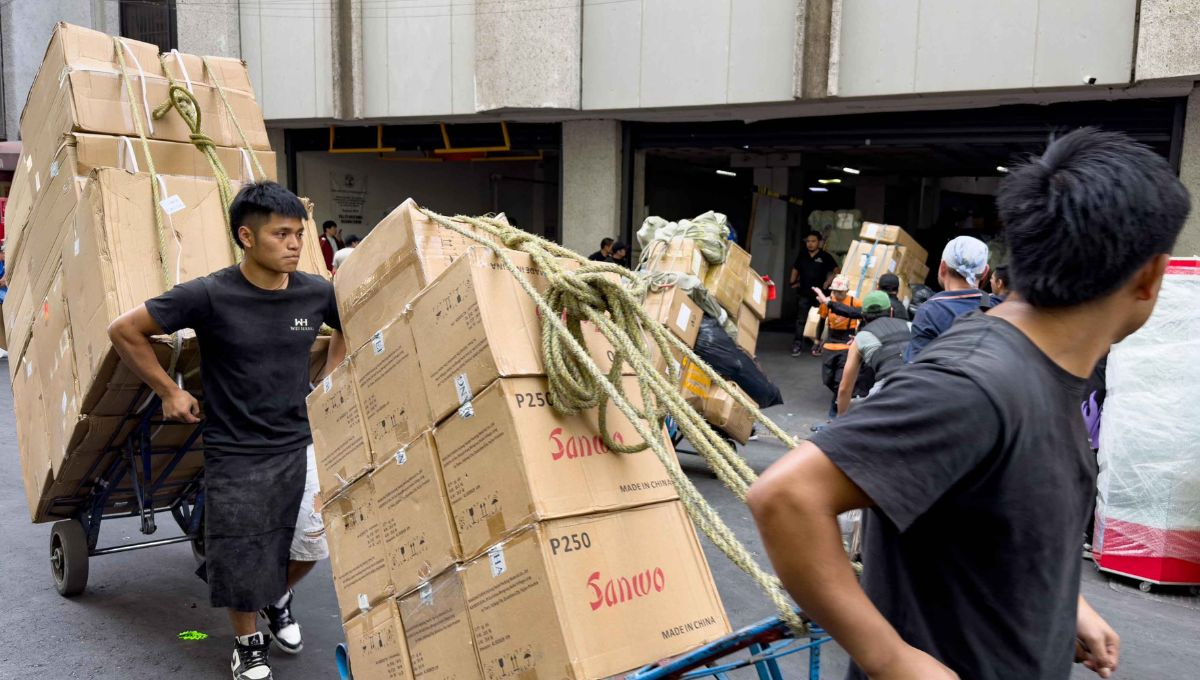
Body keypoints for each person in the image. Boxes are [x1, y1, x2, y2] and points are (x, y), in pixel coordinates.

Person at [747, 128, 1189, 680]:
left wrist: (1067, 608)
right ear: (1150, 275)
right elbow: (786, 496)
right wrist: (892, 660)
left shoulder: (1041, 370)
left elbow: (999, 521)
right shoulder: (977, 382)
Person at [108, 182, 348, 680]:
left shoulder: (315, 291)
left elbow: (348, 324)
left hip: (300, 440)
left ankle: (277, 594)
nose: (294, 245)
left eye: (299, 234)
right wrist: (169, 392)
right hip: (235, 449)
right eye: (281, 234)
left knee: (309, 543)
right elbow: (124, 330)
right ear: (246, 236)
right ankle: (247, 644)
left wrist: (330, 376)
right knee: (243, 553)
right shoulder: (209, 294)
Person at [903, 235, 1002, 362]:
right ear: (985, 272)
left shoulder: (929, 311)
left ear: (942, 267)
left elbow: (913, 369)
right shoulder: (999, 306)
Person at [835, 291, 911, 416]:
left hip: (889, 387)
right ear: (891, 311)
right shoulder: (911, 326)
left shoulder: (860, 339)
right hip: (923, 381)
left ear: (863, 316)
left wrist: (840, 419)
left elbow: (845, 388)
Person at [815, 275, 865, 418]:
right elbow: (821, 321)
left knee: (839, 379)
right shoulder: (827, 303)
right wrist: (817, 340)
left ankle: (836, 405)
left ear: (847, 291)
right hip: (830, 341)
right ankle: (841, 397)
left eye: (840, 292)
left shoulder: (855, 303)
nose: (837, 294)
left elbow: (863, 319)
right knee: (827, 379)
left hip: (846, 342)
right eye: (835, 291)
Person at [790, 231, 839, 356]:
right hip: (804, 293)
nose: (810, 244)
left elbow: (837, 270)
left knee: (820, 320)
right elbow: (795, 269)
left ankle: (817, 345)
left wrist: (829, 281)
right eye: (808, 241)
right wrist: (792, 282)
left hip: (820, 295)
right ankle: (797, 344)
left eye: (813, 241)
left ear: (819, 242)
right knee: (801, 319)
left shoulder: (825, 256)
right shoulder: (802, 255)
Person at [815, 272, 908, 321]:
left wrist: (829, 303)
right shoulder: (903, 310)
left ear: (877, 287)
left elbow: (854, 312)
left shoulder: (877, 306)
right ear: (898, 290)